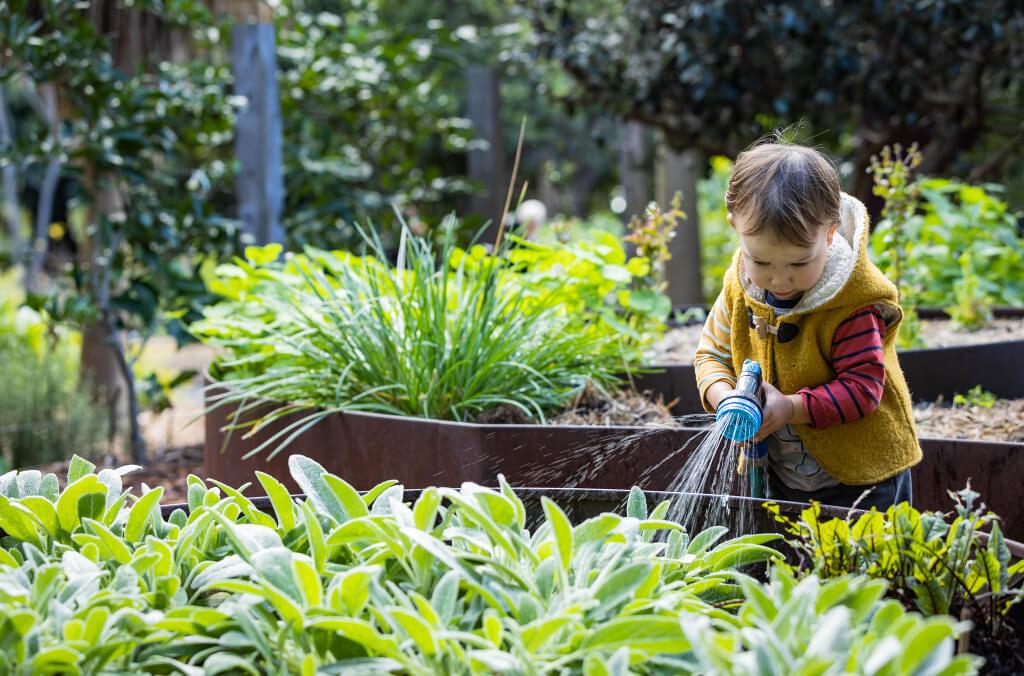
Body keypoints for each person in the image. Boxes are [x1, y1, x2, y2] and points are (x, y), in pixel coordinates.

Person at [693, 139, 920, 509]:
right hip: (783, 475)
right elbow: (710, 355)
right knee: (791, 564)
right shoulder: (740, 286)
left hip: (861, 478)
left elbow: (863, 388)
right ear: (735, 226)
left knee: (865, 562)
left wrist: (791, 408)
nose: (780, 281)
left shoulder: (848, 303)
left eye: (799, 264)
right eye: (762, 263)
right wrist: (727, 401)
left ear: (829, 234)